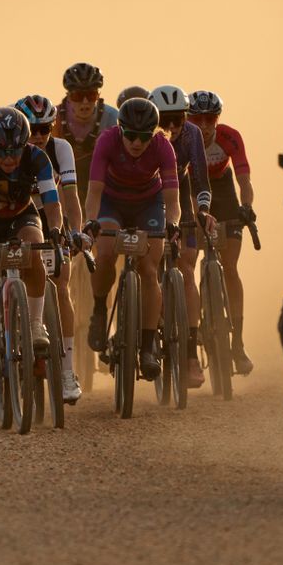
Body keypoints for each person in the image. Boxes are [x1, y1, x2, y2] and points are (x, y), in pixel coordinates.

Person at [0, 108, 65, 402]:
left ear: (25, 145)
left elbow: (52, 204)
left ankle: (34, 324)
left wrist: (56, 229)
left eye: (15, 151)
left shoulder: (37, 158)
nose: (9, 159)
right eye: (2, 152)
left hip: (21, 216)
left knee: (34, 248)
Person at [83, 97, 182, 380]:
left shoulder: (163, 146)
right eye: (131, 135)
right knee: (104, 254)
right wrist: (90, 222)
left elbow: (172, 200)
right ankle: (100, 311)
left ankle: (148, 347)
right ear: (120, 130)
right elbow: (93, 193)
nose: (137, 143)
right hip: (111, 203)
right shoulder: (107, 141)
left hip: (148, 204)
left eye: (144, 137)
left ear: (154, 133)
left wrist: (173, 223)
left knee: (149, 270)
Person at [15, 94, 86, 402]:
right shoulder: (11, 150)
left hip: (51, 211)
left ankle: (67, 370)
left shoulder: (62, 149)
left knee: (61, 285)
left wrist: (74, 232)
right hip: (17, 214)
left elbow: (70, 196)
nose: (40, 135)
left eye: (45, 128)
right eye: (33, 128)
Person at [149, 85, 214, 388]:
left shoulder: (192, 134)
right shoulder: (145, 133)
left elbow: (200, 176)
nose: (172, 128)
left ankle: (189, 353)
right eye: (165, 120)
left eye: (177, 120)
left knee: (187, 269)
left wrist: (202, 210)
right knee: (145, 267)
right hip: (147, 198)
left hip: (182, 199)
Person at [188, 90, 255, 375]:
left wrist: (247, 207)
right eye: (197, 118)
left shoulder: (229, 136)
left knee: (230, 267)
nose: (204, 125)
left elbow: (244, 178)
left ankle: (237, 344)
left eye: (210, 119)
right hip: (191, 189)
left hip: (224, 191)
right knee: (187, 261)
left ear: (218, 119)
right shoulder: (182, 139)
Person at [54, 63, 119, 210]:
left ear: (98, 96)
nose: (85, 103)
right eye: (78, 96)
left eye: (91, 96)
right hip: (63, 180)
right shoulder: (54, 118)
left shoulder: (112, 118)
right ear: (68, 96)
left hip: (100, 180)